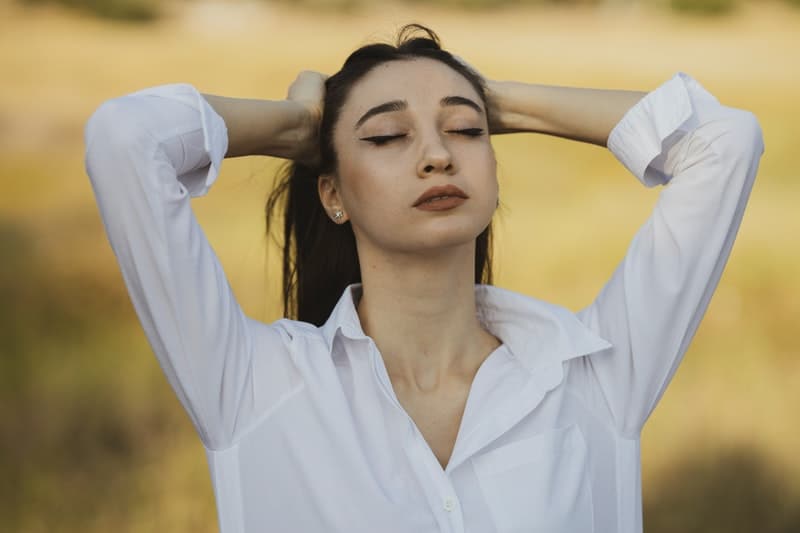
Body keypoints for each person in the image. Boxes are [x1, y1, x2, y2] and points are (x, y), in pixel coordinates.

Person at [84, 23, 763, 533]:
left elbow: (725, 142)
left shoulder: (593, 378)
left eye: (466, 130)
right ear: (332, 194)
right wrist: (298, 122)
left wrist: (499, 100)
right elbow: (125, 139)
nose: (438, 154)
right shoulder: (255, 387)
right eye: (386, 137)